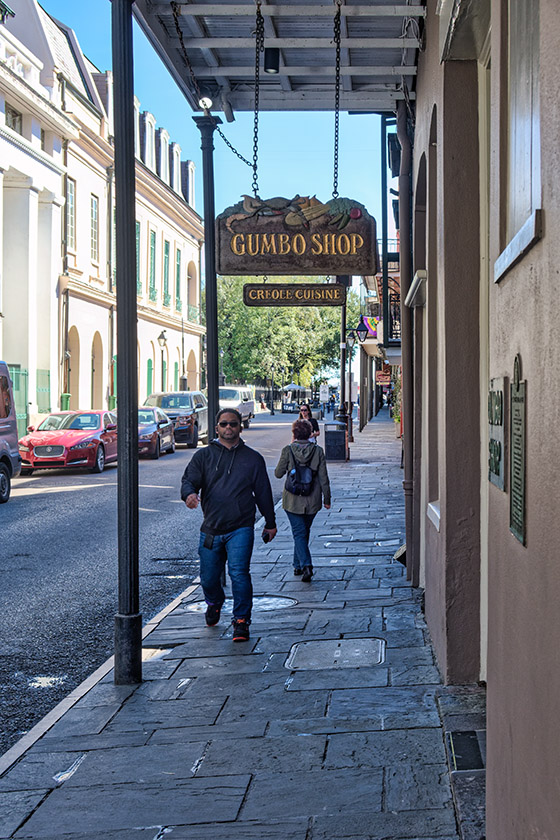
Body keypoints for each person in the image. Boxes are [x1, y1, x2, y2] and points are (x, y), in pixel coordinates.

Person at [181, 408, 277, 642]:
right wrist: (189, 495)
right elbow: (188, 480)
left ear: (240, 427)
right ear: (217, 428)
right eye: (224, 424)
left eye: (233, 424)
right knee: (208, 578)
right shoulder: (203, 457)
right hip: (211, 528)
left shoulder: (253, 458)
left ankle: (241, 621)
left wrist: (270, 523)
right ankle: (214, 603)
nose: (228, 428)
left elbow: (263, 492)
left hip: (241, 527)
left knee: (239, 574)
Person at [275, 418, 331, 582]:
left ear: (294, 433)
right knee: (302, 532)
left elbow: (278, 473)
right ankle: (297, 565)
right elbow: (324, 478)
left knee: (299, 533)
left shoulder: (288, 450)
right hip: (312, 499)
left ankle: (306, 565)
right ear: (310, 433)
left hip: (292, 500)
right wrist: (327, 498)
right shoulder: (318, 451)